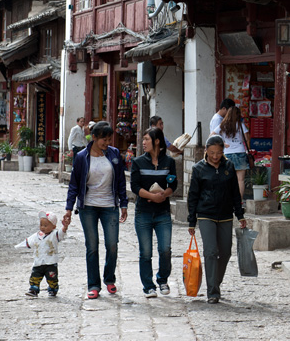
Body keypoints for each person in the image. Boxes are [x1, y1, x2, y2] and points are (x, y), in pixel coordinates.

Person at [63, 121, 128, 299]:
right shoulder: (82, 157)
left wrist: (123, 204)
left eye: (109, 139)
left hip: (110, 206)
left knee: (112, 244)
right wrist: (69, 209)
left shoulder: (114, 154)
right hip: (88, 207)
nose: (107, 143)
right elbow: (74, 185)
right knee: (92, 246)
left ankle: (109, 279)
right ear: (94, 138)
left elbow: (121, 180)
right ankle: (93, 284)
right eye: (104, 140)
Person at [187, 135, 246, 304]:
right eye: (212, 152)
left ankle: (215, 282)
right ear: (206, 151)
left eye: (218, 153)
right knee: (211, 251)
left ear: (223, 152)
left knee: (226, 252)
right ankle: (213, 291)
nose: (215, 156)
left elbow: (235, 193)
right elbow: (193, 196)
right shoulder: (199, 168)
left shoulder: (229, 166)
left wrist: (240, 214)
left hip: (226, 215)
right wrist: (192, 221)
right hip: (206, 215)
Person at [130, 127, 177, 298]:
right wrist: (151, 196)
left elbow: (173, 184)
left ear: (157, 141)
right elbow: (135, 186)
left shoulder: (169, 162)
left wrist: (164, 194)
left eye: (147, 139)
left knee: (165, 249)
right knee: (146, 252)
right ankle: (148, 285)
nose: (143, 143)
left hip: (163, 212)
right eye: (143, 139)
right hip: (143, 212)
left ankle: (162, 280)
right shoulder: (138, 162)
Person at [16, 211, 69, 297]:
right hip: (38, 262)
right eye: (41, 225)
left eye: (45, 225)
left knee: (52, 278)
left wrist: (65, 227)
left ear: (53, 226)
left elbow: (62, 233)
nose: (42, 227)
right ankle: (33, 289)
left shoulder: (55, 235)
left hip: (51, 262)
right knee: (35, 277)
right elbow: (29, 242)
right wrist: (18, 246)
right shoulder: (36, 235)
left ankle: (53, 289)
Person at [212, 106, 251, 200]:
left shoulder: (223, 125)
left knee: (227, 179)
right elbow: (247, 139)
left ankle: (227, 200)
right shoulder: (241, 125)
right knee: (240, 180)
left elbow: (212, 135)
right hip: (240, 152)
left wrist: (222, 143)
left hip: (227, 154)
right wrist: (247, 150)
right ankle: (239, 201)